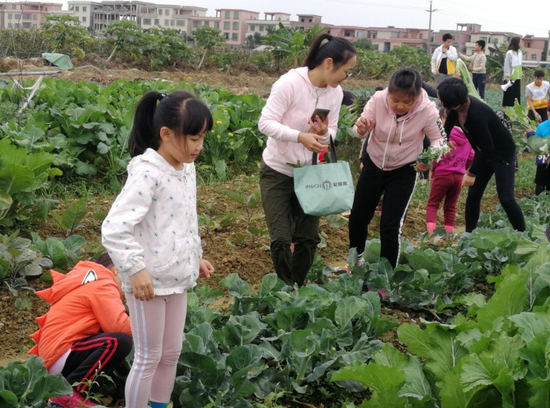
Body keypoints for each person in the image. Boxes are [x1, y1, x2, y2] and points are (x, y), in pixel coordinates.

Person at [101, 90, 215, 408]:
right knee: (149, 357)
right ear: (165, 134)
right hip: (147, 282)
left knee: (171, 352)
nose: (198, 147)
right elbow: (114, 228)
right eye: (192, 138)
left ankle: (159, 405)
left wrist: (195, 256)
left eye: (202, 137)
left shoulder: (185, 168)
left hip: (176, 277)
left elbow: (181, 221)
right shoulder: (147, 173)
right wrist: (135, 269)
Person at [258, 33, 356, 287]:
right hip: (278, 171)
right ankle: (284, 286)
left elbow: (332, 128)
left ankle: (296, 287)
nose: (346, 77)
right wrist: (299, 137)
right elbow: (265, 123)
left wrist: (324, 134)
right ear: (328, 64)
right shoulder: (289, 83)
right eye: (346, 71)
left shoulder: (335, 93)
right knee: (280, 239)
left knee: (308, 239)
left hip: (310, 174)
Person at [349, 67, 447, 268]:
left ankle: (386, 277)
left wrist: (429, 157)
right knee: (358, 217)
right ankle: (355, 264)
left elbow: (439, 140)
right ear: (389, 94)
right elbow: (358, 131)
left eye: (407, 102)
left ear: (418, 95)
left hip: (404, 170)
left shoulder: (428, 110)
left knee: (390, 227)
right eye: (395, 100)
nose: (400, 106)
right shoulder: (377, 100)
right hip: (374, 164)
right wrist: (361, 129)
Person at [30, 253, 132, 408]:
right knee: (118, 342)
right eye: (131, 280)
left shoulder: (89, 280)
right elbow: (120, 326)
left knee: (126, 322)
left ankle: (84, 393)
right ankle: (69, 394)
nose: (128, 291)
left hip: (56, 358)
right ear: (117, 270)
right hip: (63, 354)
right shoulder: (103, 281)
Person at [437, 78, 526, 233]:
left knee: (506, 199)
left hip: (502, 154)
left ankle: (523, 234)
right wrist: (445, 140)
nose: (438, 99)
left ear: (450, 101)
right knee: (473, 195)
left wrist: (471, 172)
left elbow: (488, 148)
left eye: (440, 98)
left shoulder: (477, 114)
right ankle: (469, 235)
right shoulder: (456, 108)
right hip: (484, 152)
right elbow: (449, 124)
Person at [426, 108, 474, 235]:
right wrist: (464, 171)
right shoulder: (468, 136)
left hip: (442, 175)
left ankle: (430, 236)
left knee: (433, 204)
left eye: (440, 119)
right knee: (450, 207)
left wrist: (432, 169)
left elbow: (437, 155)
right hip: (458, 177)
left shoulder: (445, 136)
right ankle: (448, 236)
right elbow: (471, 157)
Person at [528, 119, 550, 195]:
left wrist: (530, 134)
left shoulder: (542, 126)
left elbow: (536, 145)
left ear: (548, 113)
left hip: (544, 159)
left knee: (540, 183)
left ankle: (539, 201)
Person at [502, 36, 523, 108]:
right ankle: (505, 113)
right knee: (508, 96)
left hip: (517, 78)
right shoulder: (509, 53)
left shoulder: (520, 52)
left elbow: (519, 64)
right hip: (510, 78)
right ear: (517, 43)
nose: (521, 43)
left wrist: (521, 73)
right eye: (520, 42)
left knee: (516, 96)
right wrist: (507, 77)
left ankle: (515, 113)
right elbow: (506, 65)